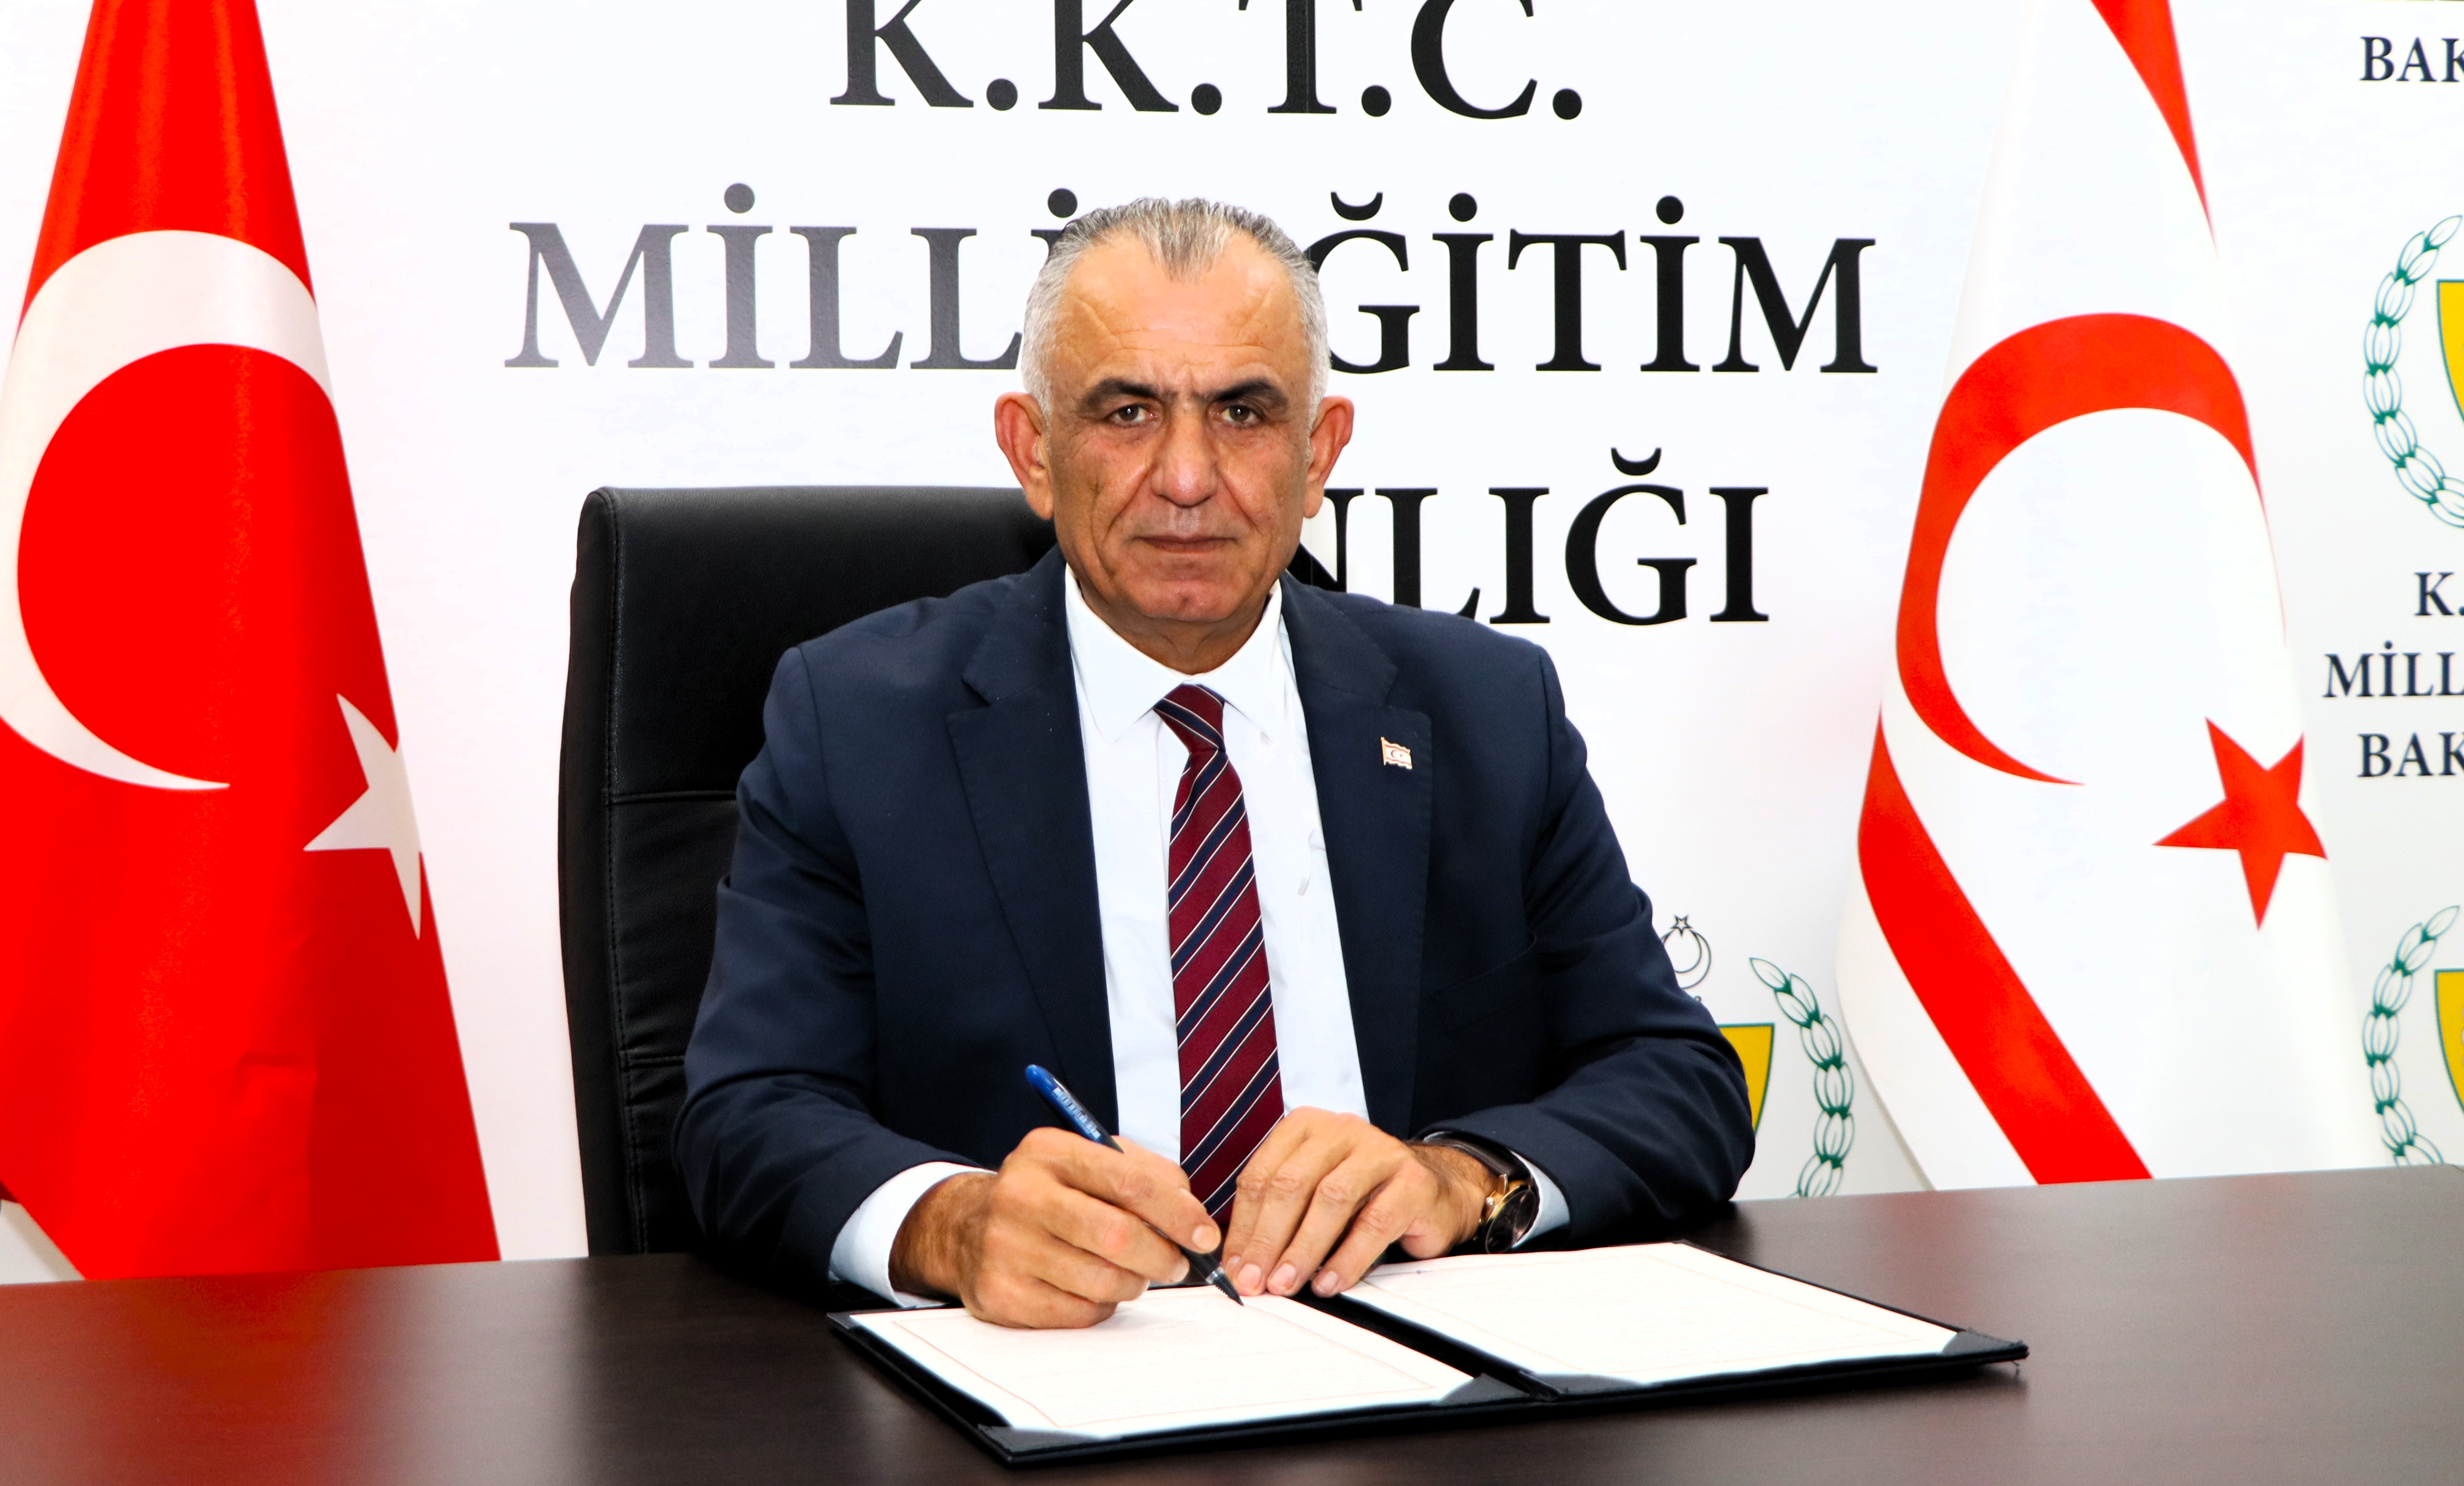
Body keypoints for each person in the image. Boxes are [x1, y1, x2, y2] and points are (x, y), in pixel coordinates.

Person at [677, 198, 1753, 1329]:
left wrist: (1460, 1179)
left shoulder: (1485, 710)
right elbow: (747, 1114)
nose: (1186, 476)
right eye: (1127, 412)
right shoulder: (857, 721)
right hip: (1062, 1365)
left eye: (1242, 412)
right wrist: (953, 1224)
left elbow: (1672, 1076)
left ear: (1317, 453)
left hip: (1408, 1360)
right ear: (1033, 450)